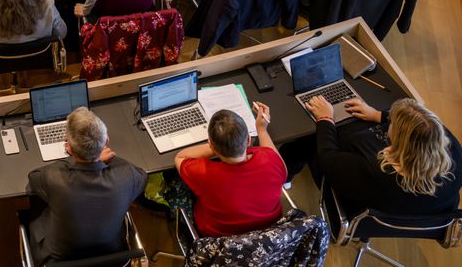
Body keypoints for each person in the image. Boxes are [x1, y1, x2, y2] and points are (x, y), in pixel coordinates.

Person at [303, 96, 462, 219]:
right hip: (424, 216)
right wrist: (379, 115)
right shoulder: (454, 154)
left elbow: (327, 158)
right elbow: (423, 130)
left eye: (390, 123)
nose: (388, 125)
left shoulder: (375, 171)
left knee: (308, 142)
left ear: (399, 141)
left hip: (366, 207)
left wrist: (325, 118)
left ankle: (286, 173)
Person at [27, 108, 147, 263]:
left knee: (36, 202)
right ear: (106, 142)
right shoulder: (126, 175)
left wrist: (74, 160)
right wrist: (99, 160)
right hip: (112, 258)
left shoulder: (53, 177)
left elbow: (33, 178)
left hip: (59, 261)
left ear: (68, 148)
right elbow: (142, 176)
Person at [176, 106, 286, 238]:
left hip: (221, 241)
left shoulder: (204, 174)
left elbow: (180, 157)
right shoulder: (270, 159)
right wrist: (262, 130)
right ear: (249, 140)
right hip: (270, 238)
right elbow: (276, 159)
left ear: (211, 145)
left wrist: (219, 146)